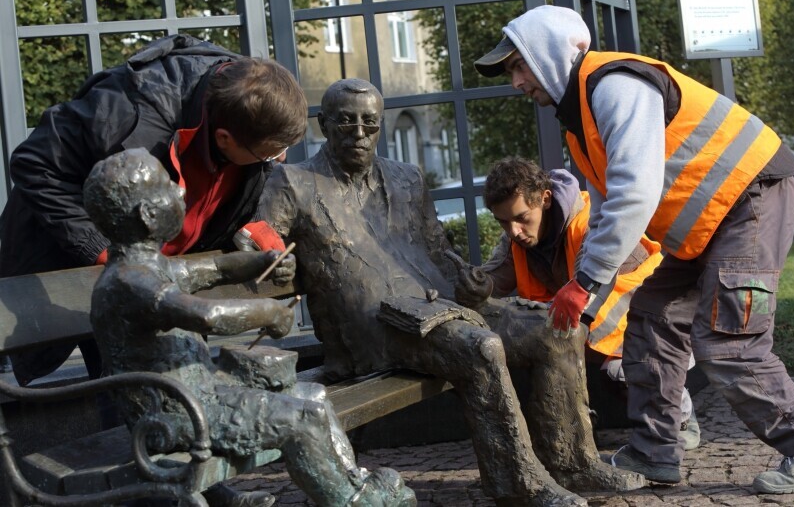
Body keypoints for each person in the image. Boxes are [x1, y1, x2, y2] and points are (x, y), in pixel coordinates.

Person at [258, 78, 648, 507]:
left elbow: (439, 250)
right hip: (370, 328)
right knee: (480, 348)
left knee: (559, 330)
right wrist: (272, 258)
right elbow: (261, 244)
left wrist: (471, 283)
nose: (359, 134)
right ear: (325, 124)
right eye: (346, 122)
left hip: (438, 306)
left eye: (369, 123)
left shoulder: (406, 178)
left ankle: (572, 462)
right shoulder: (292, 182)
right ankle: (515, 481)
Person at [475, 4, 794, 493]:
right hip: (709, 223)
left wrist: (583, 283)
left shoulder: (614, 85)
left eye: (521, 66)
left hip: (748, 199)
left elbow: (634, 195)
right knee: (651, 320)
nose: (517, 82)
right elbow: (607, 214)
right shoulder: (581, 121)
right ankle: (654, 453)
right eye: (511, 73)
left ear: (551, 53)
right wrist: (585, 297)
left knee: (728, 340)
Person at [84, 148, 415, 507]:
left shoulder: (150, 267)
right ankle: (353, 502)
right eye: (167, 185)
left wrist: (263, 260)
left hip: (197, 395)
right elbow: (206, 316)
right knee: (302, 419)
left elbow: (217, 269)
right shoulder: (131, 282)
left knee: (314, 397)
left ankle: (351, 484)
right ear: (148, 215)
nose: (180, 190)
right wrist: (269, 313)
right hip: (176, 417)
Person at [0, 34, 299, 387]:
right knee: (131, 390)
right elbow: (33, 164)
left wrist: (252, 222)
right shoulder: (124, 113)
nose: (280, 159)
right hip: (85, 267)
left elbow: (231, 184)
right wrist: (101, 249)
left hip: (163, 275)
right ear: (224, 138)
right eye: (271, 152)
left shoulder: (249, 104)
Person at [453, 156, 700, 449]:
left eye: (521, 218)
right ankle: (581, 429)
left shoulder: (591, 223)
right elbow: (499, 273)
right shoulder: (517, 239)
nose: (513, 231)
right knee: (555, 354)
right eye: (503, 222)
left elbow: (591, 283)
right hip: (598, 323)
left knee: (623, 371)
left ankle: (681, 420)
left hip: (647, 317)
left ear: (545, 199)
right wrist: (479, 284)